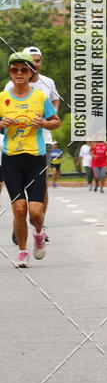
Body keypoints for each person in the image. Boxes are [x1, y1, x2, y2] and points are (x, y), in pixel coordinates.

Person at [0, 52, 60, 267]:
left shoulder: (40, 97)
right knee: (18, 209)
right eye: (14, 70)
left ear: (30, 72)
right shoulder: (2, 98)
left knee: (35, 212)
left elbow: (56, 121)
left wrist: (42, 123)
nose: (19, 73)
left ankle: (38, 232)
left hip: (35, 158)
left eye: (23, 70)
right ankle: (23, 251)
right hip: (11, 159)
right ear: (10, 72)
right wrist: (1, 124)